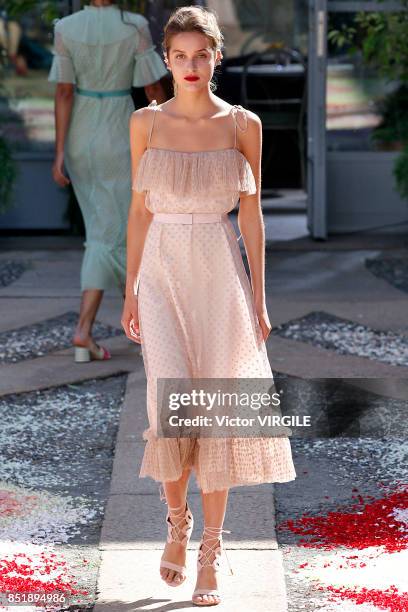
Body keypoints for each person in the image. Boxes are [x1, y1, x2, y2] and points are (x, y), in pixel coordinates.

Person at [121, 5, 296, 607]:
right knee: (170, 402)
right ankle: (176, 524)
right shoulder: (145, 122)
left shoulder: (243, 125)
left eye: (202, 55)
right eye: (179, 56)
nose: (191, 66)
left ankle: (212, 552)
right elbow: (140, 209)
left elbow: (252, 215)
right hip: (162, 269)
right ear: (165, 61)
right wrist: (130, 289)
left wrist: (260, 297)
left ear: (217, 57)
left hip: (220, 271)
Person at [49, 0, 167, 362]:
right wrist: (170, 134)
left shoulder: (65, 27)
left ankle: (112, 327)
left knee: (103, 231)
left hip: (81, 137)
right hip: (120, 130)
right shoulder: (134, 26)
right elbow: (152, 92)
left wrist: (58, 155)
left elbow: (64, 92)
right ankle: (101, 328)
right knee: (116, 231)